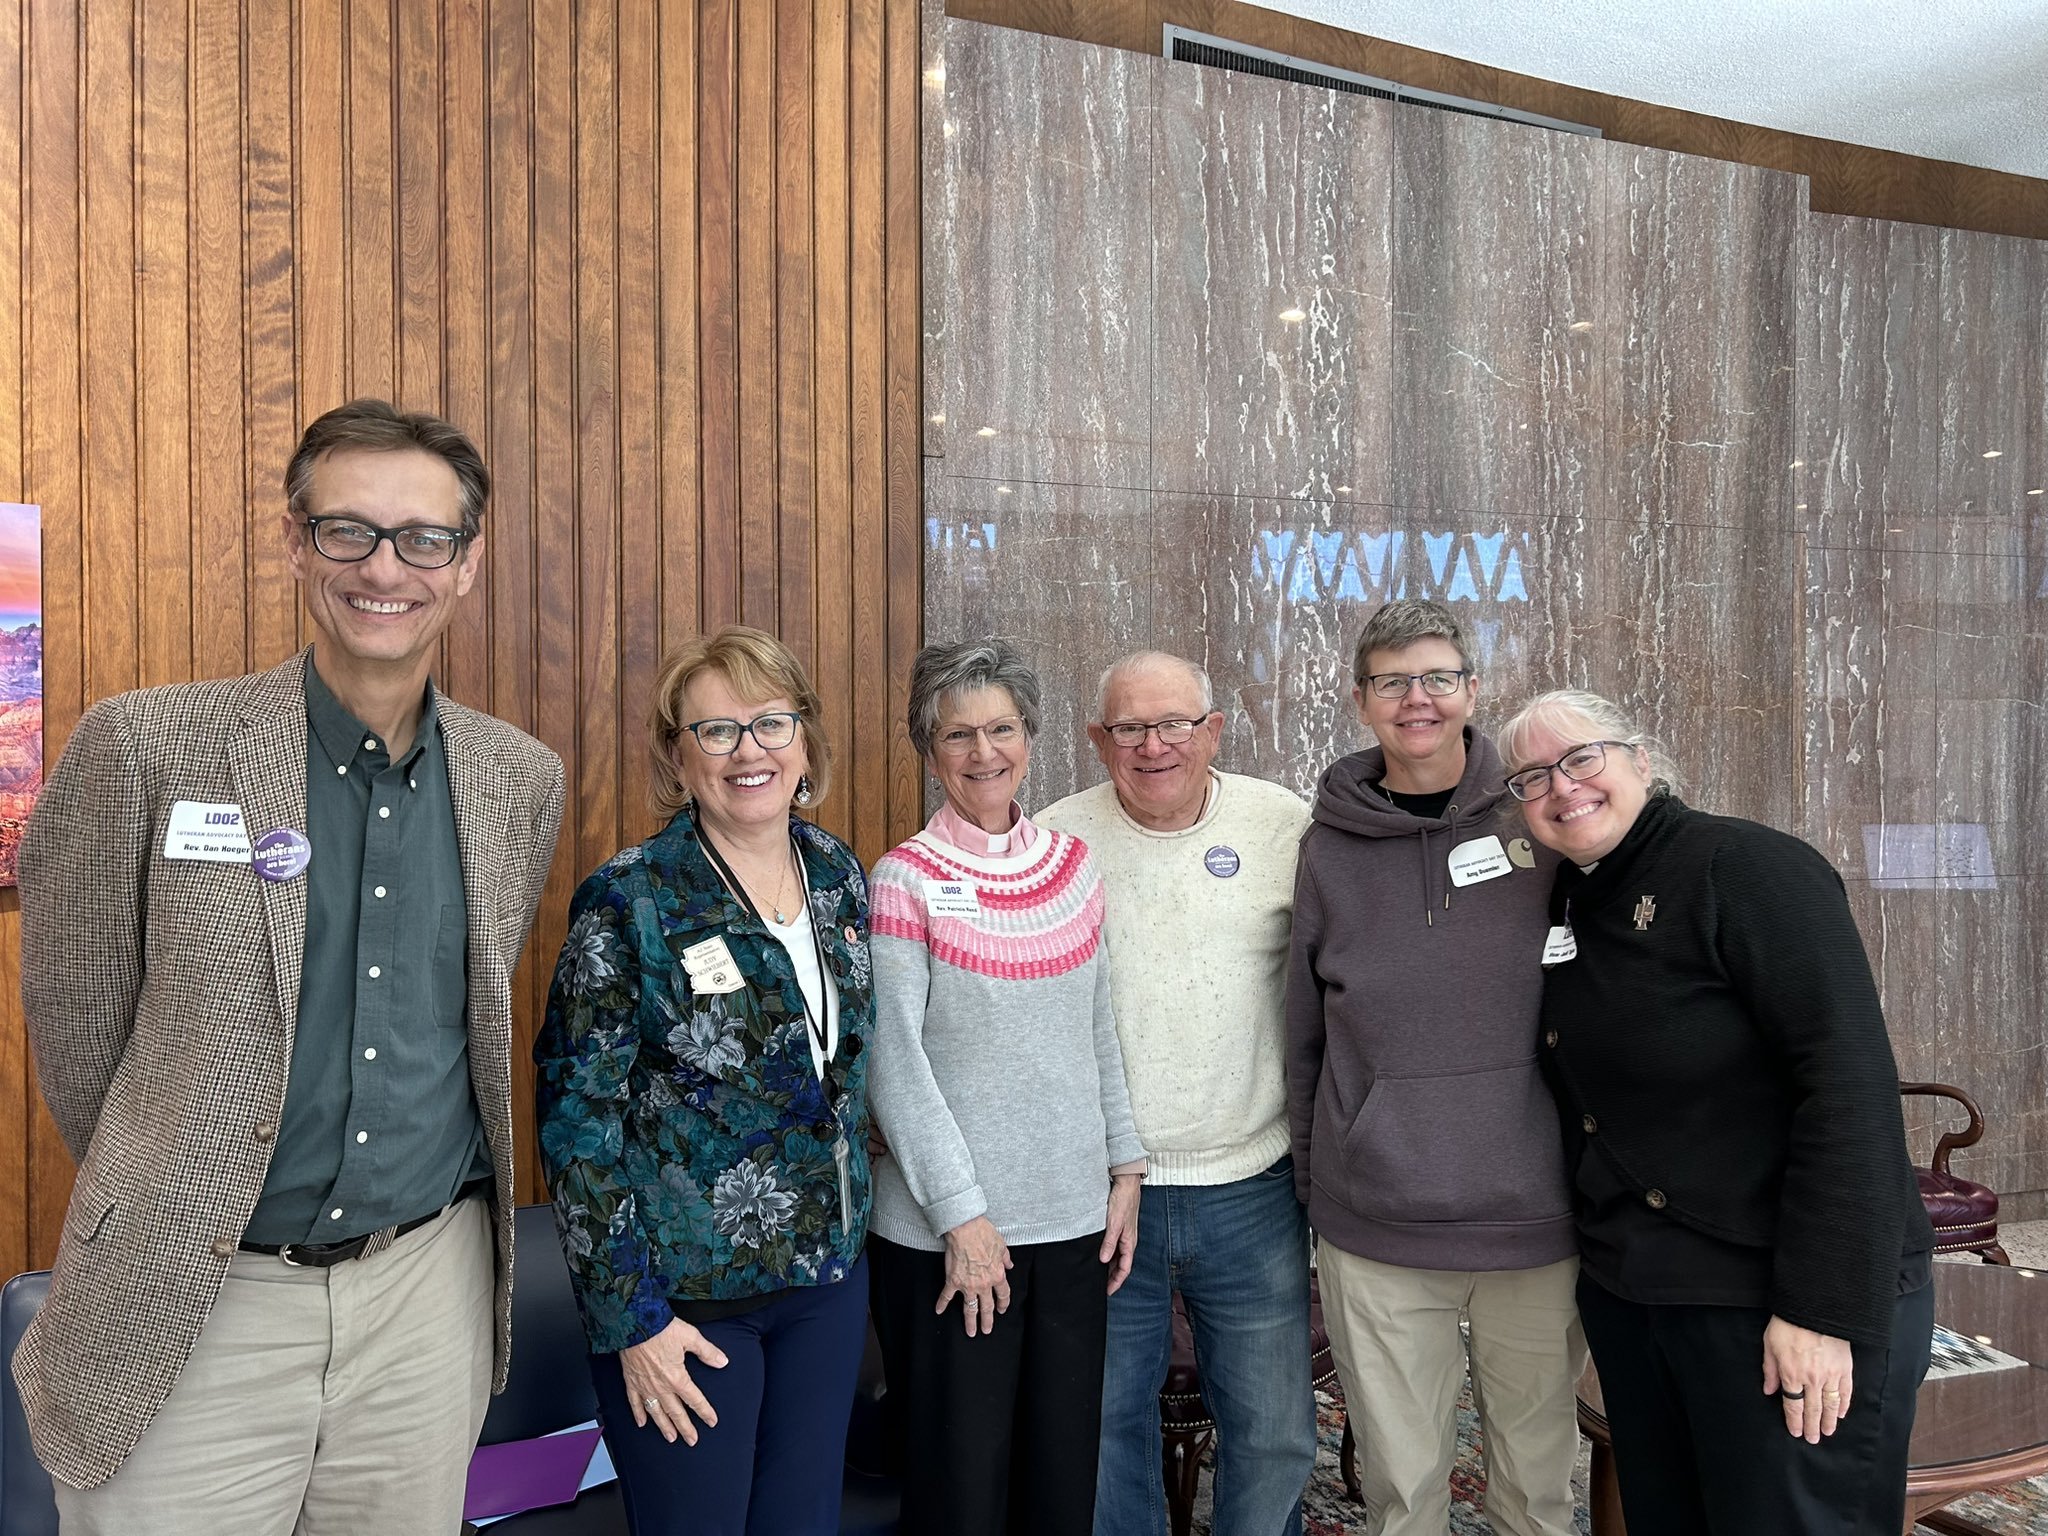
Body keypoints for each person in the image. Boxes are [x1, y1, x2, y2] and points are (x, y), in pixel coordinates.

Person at [13, 400, 565, 1532]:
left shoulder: (519, 780)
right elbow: (78, 1031)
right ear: (292, 540)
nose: (385, 568)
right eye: (347, 531)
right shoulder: (145, 747)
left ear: (466, 564)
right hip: (198, 1300)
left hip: (425, 1299)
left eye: (424, 539)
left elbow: (465, 1023)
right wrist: (183, 1173)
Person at [1498, 689, 1935, 1535]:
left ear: (1642, 762)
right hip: (1643, 1296)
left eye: (1581, 758)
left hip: (1777, 1298)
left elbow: (1847, 1092)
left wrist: (1819, 1312)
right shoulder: (1573, 897)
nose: (1562, 787)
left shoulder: (1744, 867)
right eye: (1531, 777)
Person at [534, 625, 875, 1536]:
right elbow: (577, 1124)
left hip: (825, 1284)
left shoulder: (839, 874)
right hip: (684, 1305)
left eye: (770, 722)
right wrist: (632, 1321)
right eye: (714, 731)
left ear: (805, 741)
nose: (748, 750)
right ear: (677, 758)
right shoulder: (632, 896)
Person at [1285, 599, 1581, 1536]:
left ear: (1472, 690)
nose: (1418, 699)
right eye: (1393, 681)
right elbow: (1304, 1030)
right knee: (1401, 1495)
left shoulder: (1543, 820)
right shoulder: (1326, 849)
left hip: (1535, 1217)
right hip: (1376, 1221)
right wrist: (1315, 1173)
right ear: (1362, 699)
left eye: (1439, 678)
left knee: (1536, 1491)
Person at [866, 637, 1147, 1536]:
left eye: (1002, 729)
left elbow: (1098, 1029)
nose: (984, 753)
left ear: (1030, 735)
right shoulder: (904, 879)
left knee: (1058, 1488)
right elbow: (893, 1063)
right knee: (961, 1497)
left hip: (1070, 1229)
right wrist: (963, 1217)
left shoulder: (1073, 866)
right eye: (959, 735)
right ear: (928, 747)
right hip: (951, 1244)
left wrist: (1125, 1170)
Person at [1037, 650, 1317, 1536]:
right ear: (1097, 740)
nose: (1155, 746)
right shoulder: (1053, 843)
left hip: (1254, 1189)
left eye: (1176, 725)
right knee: (1105, 1427)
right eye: (1129, 728)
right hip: (1106, 1196)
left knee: (1274, 1433)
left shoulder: (1285, 826)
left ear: (1214, 731)